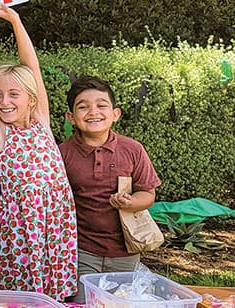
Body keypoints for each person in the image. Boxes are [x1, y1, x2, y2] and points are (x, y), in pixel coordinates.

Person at [0, 6, 78, 300]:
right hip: (19, 228)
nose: (4, 102)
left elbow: (32, 66)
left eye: (13, 94)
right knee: (16, 296)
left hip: (55, 221)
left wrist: (16, 21)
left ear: (31, 99)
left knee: (54, 295)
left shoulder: (41, 122)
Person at [59, 76, 161, 298]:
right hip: (81, 250)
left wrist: (132, 202)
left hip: (125, 251)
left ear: (115, 114)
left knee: (120, 302)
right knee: (83, 302)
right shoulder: (62, 153)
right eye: (83, 107)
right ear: (71, 118)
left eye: (101, 105)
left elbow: (148, 193)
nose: (93, 112)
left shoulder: (132, 150)